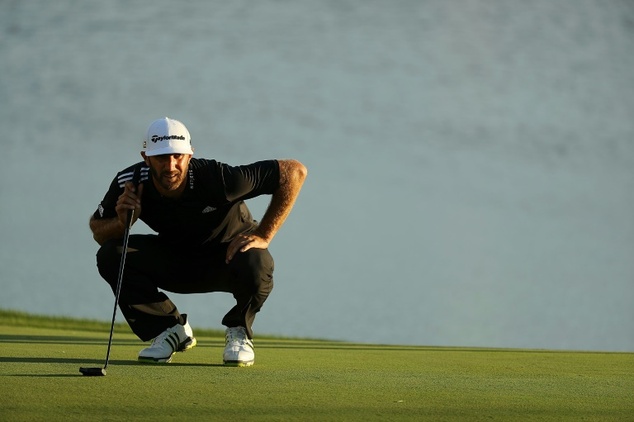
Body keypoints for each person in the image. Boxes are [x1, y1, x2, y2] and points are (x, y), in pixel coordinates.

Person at [89, 117, 307, 366]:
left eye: (177, 156)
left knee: (257, 260)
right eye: (161, 157)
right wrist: (122, 223)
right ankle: (169, 331)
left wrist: (264, 234)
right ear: (146, 158)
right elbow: (98, 230)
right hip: (176, 259)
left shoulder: (218, 178)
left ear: (189, 155)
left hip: (229, 259)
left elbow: (294, 171)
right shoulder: (129, 182)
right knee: (111, 254)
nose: (170, 166)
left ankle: (239, 330)